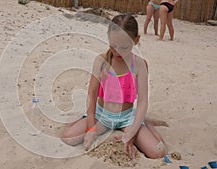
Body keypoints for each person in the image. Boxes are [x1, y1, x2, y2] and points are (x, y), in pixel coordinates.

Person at [61, 14, 168, 159]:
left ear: (136, 40)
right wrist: (91, 128)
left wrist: (132, 132)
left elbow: (143, 101)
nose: (117, 52)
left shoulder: (139, 64)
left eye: (124, 47)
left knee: (158, 152)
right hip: (101, 115)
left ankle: (145, 123)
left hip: (127, 117)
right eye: (113, 46)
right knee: (68, 138)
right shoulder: (101, 61)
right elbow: (91, 96)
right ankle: (82, 120)